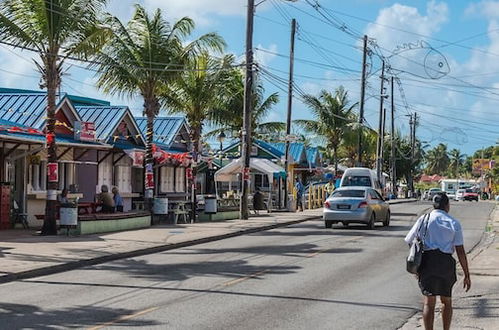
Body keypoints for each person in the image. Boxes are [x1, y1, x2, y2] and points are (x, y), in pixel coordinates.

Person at [404, 193, 471, 330]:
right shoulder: (453, 222)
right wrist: (466, 275)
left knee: (429, 302)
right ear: (447, 206)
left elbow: (410, 240)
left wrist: (417, 266)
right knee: (446, 300)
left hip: (427, 262)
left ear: (433, 205)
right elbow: (460, 251)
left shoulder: (424, 219)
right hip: (446, 263)